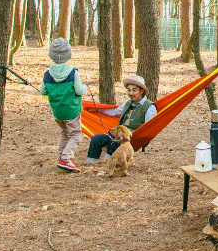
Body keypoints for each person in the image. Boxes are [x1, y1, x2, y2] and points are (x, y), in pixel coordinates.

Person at [39, 38, 87, 172]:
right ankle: (66, 158)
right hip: (71, 111)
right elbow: (78, 90)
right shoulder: (73, 72)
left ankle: (61, 157)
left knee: (65, 134)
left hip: (58, 112)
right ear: (69, 54)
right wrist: (85, 89)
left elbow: (43, 91)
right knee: (75, 135)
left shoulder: (47, 74)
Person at [85, 74, 157, 163]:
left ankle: (108, 162)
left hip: (131, 138)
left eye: (134, 90)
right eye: (129, 90)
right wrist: (97, 109)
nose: (131, 93)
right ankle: (90, 163)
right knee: (96, 139)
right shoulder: (128, 103)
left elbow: (149, 127)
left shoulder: (149, 107)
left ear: (141, 91)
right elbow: (114, 112)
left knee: (115, 143)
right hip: (117, 134)